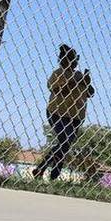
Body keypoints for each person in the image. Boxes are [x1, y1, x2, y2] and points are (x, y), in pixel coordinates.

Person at [32, 45, 94, 181]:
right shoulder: (57, 74)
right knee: (64, 142)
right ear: (62, 60)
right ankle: (52, 173)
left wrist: (87, 83)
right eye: (69, 59)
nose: (72, 62)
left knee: (64, 145)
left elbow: (91, 93)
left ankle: (41, 169)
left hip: (76, 116)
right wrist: (74, 82)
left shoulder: (78, 75)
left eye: (74, 60)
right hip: (57, 112)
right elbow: (59, 91)